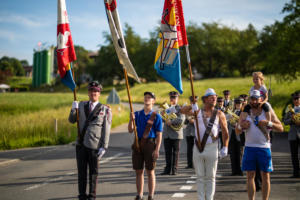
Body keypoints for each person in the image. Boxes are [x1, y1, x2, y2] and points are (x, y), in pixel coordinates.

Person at [182, 88, 229, 200]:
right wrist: (192, 105)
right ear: (205, 100)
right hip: (198, 147)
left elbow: (225, 132)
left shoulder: (219, 114)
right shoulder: (197, 112)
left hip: (212, 147)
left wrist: (225, 147)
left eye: (215, 97)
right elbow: (182, 111)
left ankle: (209, 198)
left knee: (211, 177)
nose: (214, 99)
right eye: (211, 97)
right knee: (200, 177)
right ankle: (201, 198)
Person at [236, 90, 283, 200]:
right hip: (249, 147)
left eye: (256, 99)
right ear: (249, 99)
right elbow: (237, 131)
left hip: (264, 147)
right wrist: (241, 126)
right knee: (250, 176)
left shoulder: (267, 110)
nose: (254, 101)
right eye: (252, 99)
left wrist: (268, 123)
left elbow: (280, 128)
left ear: (261, 99)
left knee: (265, 176)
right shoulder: (245, 111)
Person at [69, 81, 112, 200]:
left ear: (99, 93)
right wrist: (73, 109)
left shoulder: (105, 109)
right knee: (81, 173)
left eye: (96, 91)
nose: (94, 93)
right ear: (88, 93)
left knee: (93, 173)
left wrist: (104, 146)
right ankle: (82, 195)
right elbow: (72, 120)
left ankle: (92, 196)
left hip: (95, 145)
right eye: (91, 91)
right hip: (81, 144)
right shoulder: (81, 105)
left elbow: (106, 129)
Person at [128, 91, 163, 200]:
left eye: (150, 97)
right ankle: (139, 194)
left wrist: (157, 149)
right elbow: (130, 130)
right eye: (146, 97)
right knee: (138, 170)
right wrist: (131, 120)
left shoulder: (156, 116)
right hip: (138, 143)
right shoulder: (137, 114)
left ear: (153, 101)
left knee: (150, 170)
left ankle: (150, 195)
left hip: (150, 144)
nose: (147, 99)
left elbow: (159, 134)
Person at [161, 91, 185, 175]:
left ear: (177, 98)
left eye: (174, 98)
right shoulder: (167, 108)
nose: (172, 99)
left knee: (175, 152)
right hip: (167, 134)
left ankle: (174, 169)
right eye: (171, 97)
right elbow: (162, 119)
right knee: (167, 152)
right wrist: (162, 116)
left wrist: (171, 121)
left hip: (176, 134)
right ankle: (167, 169)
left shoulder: (180, 108)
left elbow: (181, 119)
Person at [283, 91, 300, 178]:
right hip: (293, 135)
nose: (296, 100)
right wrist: (291, 120)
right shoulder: (289, 110)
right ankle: (296, 173)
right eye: (294, 99)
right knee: (294, 155)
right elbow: (285, 121)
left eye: (297, 98)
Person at [228, 97, 244, 176]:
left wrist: (237, 124)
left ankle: (240, 170)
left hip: (239, 134)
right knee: (232, 153)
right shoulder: (232, 112)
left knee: (240, 153)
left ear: (241, 104)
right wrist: (231, 121)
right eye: (237, 104)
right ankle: (234, 170)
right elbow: (229, 122)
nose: (238, 105)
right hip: (232, 134)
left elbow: (244, 123)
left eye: (239, 104)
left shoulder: (243, 113)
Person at [183, 96, 198, 169]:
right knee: (189, 149)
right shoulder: (188, 109)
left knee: (197, 149)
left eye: (194, 101)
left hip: (196, 131)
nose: (193, 102)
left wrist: (194, 120)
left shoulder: (199, 109)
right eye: (191, 101)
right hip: (189, 131)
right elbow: (187, 118)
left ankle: (197, 163)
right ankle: (189, 164)